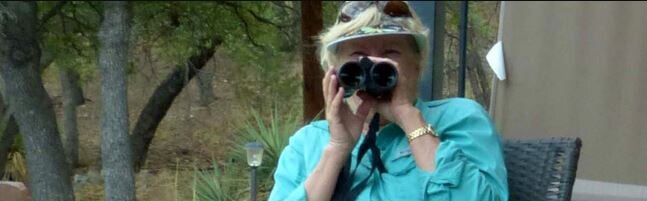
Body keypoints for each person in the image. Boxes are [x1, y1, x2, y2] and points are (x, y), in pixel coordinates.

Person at [269, 1, 508, 200]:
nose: (373, 65)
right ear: (335, 70)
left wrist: (408, 117)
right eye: (357, 56)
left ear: (417, 64)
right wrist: (337, 149)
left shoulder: (458, 119)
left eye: (390, 53)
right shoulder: (308, 142)